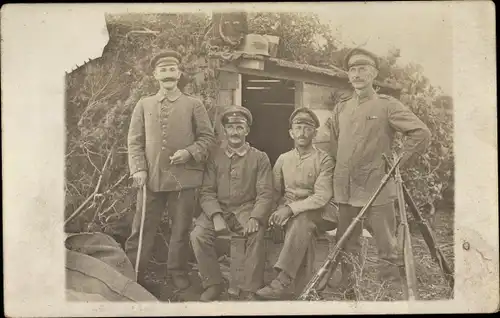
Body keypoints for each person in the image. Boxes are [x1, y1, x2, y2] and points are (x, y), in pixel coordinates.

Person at [328, 47, 432, 299]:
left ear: (374, 74)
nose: (357, 74)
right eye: (352, 69)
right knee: (345, 241)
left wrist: (397, 164)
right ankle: (349, 286)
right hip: (345, 187)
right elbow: (331, 142)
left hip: (377, 184)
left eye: (363, 69)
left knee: (386, 243)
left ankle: (388, 290)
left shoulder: (387, 105)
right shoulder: (341, 107)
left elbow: (421, 133)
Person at [126, 50, 216, 293]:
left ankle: (177, 272)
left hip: (183, 179)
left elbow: (208, 138)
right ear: (155, 75)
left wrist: (189, 152)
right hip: (150, 178)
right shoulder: (143, 105)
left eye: (172, 69)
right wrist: (139, 169)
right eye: (162, 70)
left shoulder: (193, 104)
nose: (168, 74)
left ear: (179, 73)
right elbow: (134, 141)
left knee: (180, 228)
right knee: (141, 227)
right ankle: (133, 272)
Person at [190, 105, 273, 301]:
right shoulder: (214, 157)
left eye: (239, 127)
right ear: (225, 130)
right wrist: (216, 216)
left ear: (247, 130)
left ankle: (249, 289)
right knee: (198, 234)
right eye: (230, 127)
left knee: (256, 234)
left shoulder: (260, 158)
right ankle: (213, 283)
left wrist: (255, 217)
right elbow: (207, 191)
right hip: (219, 209)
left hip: (246, 210)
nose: (234, 132)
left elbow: (265, 193)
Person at [256, 107, 336, 300]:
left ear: (315, 133)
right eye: (297, 127)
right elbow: (275, 192)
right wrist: (274, 215)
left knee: (303, 218)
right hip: (296, 214)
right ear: (291, 132)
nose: (302, 132)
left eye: (307, 128)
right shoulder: (283, 159)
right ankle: (305, 288)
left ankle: (282, 281)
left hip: (324, 212)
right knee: (302, 225)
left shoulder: (324, 159)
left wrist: (289, 209)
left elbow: (321, 197)